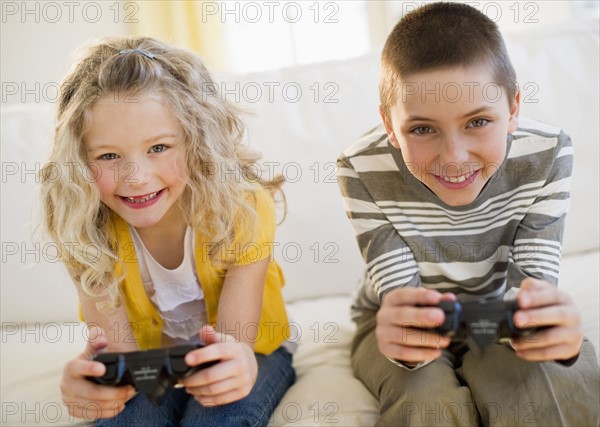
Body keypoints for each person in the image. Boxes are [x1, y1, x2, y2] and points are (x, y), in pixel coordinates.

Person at [336, 3, 599, 426]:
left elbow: (531, 285)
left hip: (501, 311)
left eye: (477, 121)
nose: (454, 158)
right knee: (423, 400)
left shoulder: (547, 153)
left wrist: (553, 339)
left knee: (552, 382)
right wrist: (405, 345)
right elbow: (401, 297)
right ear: (389, 123)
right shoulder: (360, 166)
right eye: (422, 129)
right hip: (400, 315)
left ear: (513, 109)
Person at [39, 36, 295, 426]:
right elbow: (122, 364)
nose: (136, 178)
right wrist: (98, 385)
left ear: (197, 142)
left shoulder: (242, 207)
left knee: (218, 415)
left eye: (158, 147)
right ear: (78, 161)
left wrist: (238, 364)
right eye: (108, 156)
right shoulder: (81, 221)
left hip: (249, 351)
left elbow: (233, 347)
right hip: (150, 363)